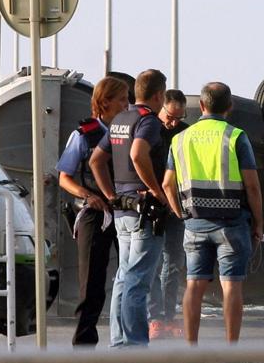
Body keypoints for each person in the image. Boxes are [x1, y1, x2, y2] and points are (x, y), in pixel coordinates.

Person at [162, 82, 263, 345]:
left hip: (194, 223)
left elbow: (166, 184)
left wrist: (180, 213)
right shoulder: (236, 137)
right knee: (231, 286)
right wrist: (259, 223)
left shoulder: (180, 139)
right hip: (232, 224)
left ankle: (192, 347)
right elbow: (251, 185)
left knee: (194, 285)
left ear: (203, 106)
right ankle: (231, 348)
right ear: (230, 107)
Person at [89, 69, 169, 347]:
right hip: (144, 212)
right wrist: (157, 192)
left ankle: (119, 341)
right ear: (159, 95)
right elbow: (138, 153)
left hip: (122, 210)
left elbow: (96, 160)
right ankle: (135, 344)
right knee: (138, 280)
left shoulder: (120, 119)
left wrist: (111, 194)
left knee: (123, 277)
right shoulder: (148, 121)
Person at [55, 76, 129, 346]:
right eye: (122, 99)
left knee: (130, 277)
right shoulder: (83, 134)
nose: (127, 104)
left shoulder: (128, 131)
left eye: (128, 98)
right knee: (92, 284)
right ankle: (84, 344)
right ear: (105, 102)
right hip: (94, 214)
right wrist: (88, 195)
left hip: (125, 212)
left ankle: (126, 340)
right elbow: (65, 177)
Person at [147, 90, 189, 339]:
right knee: (153, 262)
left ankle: (169, 315)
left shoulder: (185, 131)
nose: (173, 122)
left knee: (174, 262)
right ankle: (155, 317)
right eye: (170, 117)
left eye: (178, 118)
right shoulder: (149, 127)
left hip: (176, 205)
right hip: (153, 203)